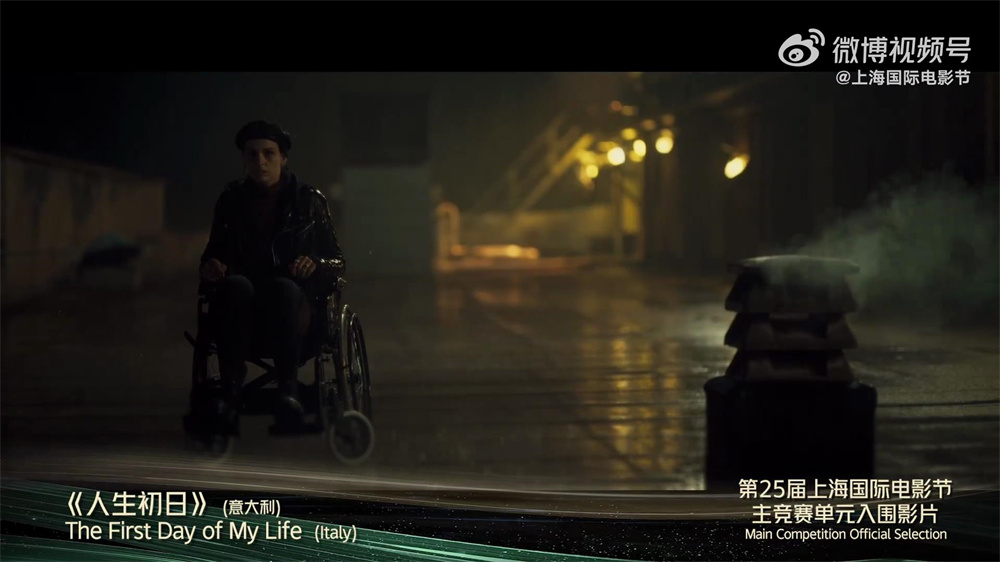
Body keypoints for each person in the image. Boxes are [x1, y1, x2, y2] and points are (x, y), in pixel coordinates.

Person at [199, 120, 345, 431]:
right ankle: (230, 392)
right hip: (243, 313)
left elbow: (337, 261)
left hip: (295, 312)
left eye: (269, 153)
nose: (260, 161)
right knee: (236, 286)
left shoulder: (309, 201)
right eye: (252, 154)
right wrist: (212, 266)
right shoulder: (230, 201)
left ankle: (287, 392)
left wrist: (315, 263)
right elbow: (212, 254)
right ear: (244, 159)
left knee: (283, 289)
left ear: (283, 158)